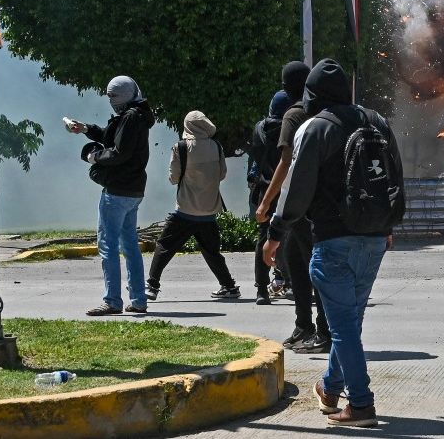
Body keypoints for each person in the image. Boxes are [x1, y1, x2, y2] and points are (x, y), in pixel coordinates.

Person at [273, 58, 405, 428]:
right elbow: (394, 174)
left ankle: (361, 405)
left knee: (344, 326)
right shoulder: (376, 121)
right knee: (350, 320)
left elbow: (296, 189)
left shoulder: (316, 127)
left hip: (334, 241)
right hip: (376, 238)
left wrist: (275, 234)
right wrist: (388, 222)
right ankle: (330, 390)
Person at [65, 76, 155, 316]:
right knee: (130, 246)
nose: (111, 101)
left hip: (116, 190)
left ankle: (112, 300)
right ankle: (138, 300)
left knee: (107, 246)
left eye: (113, 96)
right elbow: (111, 136)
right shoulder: (138, 115)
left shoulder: (129, 117)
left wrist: (94, 158)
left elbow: (119, 152)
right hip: (134, 190)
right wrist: (85, 129)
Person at [260, 61, 333, 353]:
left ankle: (320, 329)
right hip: (323, 203)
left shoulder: (295, 114)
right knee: (299, 261)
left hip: (300, 203)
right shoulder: (328, 113)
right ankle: (304, 325)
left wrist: (268, 201)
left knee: (308, 266)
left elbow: (286, 162)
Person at [145, 110, 240, 300]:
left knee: (164, 246)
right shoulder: (216, 147)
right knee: (212, 252)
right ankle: (229, 286)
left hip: (185, 210)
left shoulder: (181, 147)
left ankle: (152, 286)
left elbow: (173, 178)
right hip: (209, 211)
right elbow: (222, 174)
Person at [247, 90, 292, 305]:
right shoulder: (290, 129)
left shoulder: (259, 128)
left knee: (264, 237)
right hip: (286, 190)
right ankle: (290, 281)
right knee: (291, 237)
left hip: (264, 190)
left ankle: (262, 290)